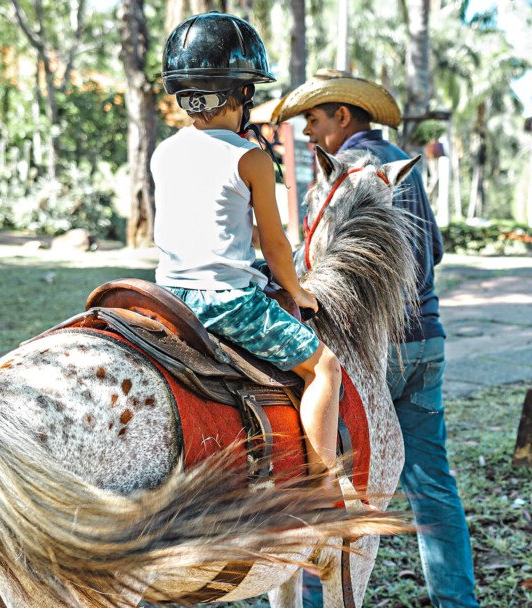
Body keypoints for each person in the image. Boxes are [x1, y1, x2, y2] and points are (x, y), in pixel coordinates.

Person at [276, 70, 480, 608]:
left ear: (344, 116)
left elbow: (325, 266)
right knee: (431, 483)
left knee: (335, 477)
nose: (310, 134)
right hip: (425, 343)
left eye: (315, 121)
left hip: (367, 353)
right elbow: (430, 251)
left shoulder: (346, 170)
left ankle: (318, 601)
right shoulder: (401, 165)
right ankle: (458, 602)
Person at [154, 14, 346, 495]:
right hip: (226, 302)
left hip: (168, 296)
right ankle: (325, 490)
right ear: (241, 94)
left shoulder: (164, 152)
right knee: (325, 367)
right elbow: (275, 243)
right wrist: (298, 290)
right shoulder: (252, 158)